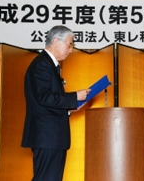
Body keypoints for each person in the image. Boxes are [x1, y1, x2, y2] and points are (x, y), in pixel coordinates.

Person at [21, 25, 91, 181]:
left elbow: (46, 102)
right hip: (47, 137)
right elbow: (44, 96)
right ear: (56, 41)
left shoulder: (49, 65)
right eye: (69, 44)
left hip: (52, 137)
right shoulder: (41, 65)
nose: (71, 49)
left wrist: (68, 109)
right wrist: (74, 97)